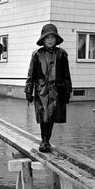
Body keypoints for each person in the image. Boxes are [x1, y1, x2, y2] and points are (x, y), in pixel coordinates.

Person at [25, 24, 72, 153]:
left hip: (57, 90)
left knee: (51, 116)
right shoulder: (36, 54)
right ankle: (43, 140)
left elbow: (67, 74)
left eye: (53, 37)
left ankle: (47, 140)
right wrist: (28, 90)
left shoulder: (62, 54)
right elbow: (31, 73)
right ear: (43, 39)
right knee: (43, 116)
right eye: (47, 38)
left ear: (56, 39)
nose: (50, 40)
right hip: (41, 89)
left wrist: (68, 91)